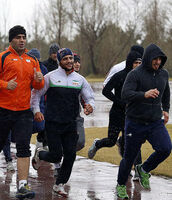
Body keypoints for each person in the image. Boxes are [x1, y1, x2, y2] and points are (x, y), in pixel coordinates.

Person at [0, 25, 44, 199]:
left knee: (23, 147)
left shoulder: (32, 60)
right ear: (11, 40)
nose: (22, 40)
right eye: (18, 37)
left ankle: (22, 185)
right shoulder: (2, 58)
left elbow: (38, 86)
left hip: (23, 111)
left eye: (24, 37)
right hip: (2, 110)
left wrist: (39, 80)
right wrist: (5, 85)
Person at [31, 48, 95, 197]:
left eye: (71, 58)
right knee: (56, 155)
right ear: (60, 61)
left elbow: (90, 97)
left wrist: (90, 106)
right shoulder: (50, 77)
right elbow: (36, 94)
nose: (69, 61)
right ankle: (40, 154)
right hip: (53, 122)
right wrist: (36, 111)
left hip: (70, 123)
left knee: (71, 155)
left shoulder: (79, 79)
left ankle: (59, 184)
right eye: (65, 59)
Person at [116, 44, 172, 199]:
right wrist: (144, 95)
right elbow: (125, 94)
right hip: (135, 122)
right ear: (148, 58)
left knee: (166, 148)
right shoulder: (135, 74)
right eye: (155, 58)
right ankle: (120, 185)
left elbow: (166, 92)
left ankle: (144, 169)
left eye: (160, 59)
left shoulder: (163, 74)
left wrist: (166, 109)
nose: (158, 62)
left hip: (155, 122)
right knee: (129, 158)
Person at [88, 50, 143, 178]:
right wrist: (120, 102)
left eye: (140, 62)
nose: (138, 65)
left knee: (131, 141)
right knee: (111, 141)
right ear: (130, 63)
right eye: (136, 62)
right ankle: (97, 144)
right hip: (117, 113)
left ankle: (133, 170)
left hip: (131, 115)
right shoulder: (120, 75)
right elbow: (106, 91)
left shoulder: (141, 78)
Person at [28, 48, 48, 149]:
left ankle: (40, 142)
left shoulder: (43, 68)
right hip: (25, 101)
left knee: (41, 125)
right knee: (26, 128)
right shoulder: (25, 67)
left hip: (40, 101)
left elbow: (46, 86)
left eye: (37, 58)